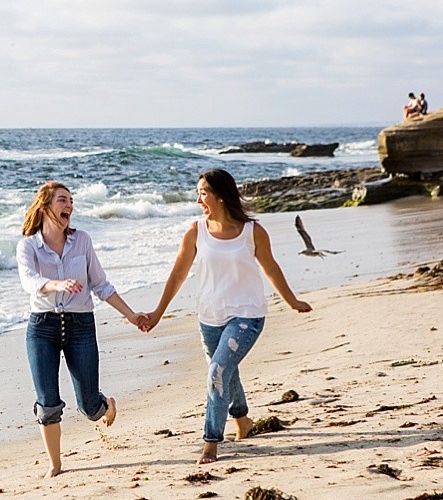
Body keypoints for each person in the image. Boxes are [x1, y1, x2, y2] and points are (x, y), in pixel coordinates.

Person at [140, 169, 312, 465]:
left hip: (248, 314)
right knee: (225, 372)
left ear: (220, 195)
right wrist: (157, 313)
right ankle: (243, 419)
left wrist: (291, 300)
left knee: (217, 371)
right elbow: (179, 274)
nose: (198, 199)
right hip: (209, 316)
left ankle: (210, 442)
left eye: (203, 193)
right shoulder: (196, 231)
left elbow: (271, 269)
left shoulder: (252, 231)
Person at [16, 181, 147, 478]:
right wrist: (56, 285)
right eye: (63, 200)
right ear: (45, 206)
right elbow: (29, 281)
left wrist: (130, 315)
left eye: (71, 201)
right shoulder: (28, 245)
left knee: (89, 407)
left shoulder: (83, 241)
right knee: (47, 403)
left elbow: (100, 284)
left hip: (80, 326)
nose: (69, 206)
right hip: (42, 327)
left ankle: (106, 406)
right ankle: (56, 465)